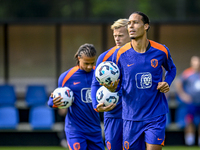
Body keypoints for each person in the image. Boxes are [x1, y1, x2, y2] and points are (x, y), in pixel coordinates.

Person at [107, 12, 176, 150]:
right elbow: (117, 84)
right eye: (129, 23)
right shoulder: (120, 54)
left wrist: (167, 82)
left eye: (135, 22)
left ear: (146, 26)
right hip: (130, 117)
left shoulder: (161, 50)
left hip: (155, 114)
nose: (131, 26)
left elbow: (171, 69)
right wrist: (112, 87)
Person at [47, 43, 104, 150]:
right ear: (79, 58)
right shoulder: (66, 77)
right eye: (86, 63)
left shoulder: (99, 74)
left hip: (94, 129)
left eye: (92, 63)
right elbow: (52, 101)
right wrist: (54, 102)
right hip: (76, 130)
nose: (89, 66)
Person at [91, 19, 130, 150]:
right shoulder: (104, 57)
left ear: (130, 34)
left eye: (121, 35)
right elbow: (95, 84)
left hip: (135, 115)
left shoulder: (140, 56)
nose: (117, 39)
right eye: (115, 36)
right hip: (113, 113)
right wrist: (96, 106)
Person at [175, 56, 200, 146]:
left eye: (198, 62)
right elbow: (178, 83)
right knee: (189, 121)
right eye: (194, 62)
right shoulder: (187, 73)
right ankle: (190, 142)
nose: (196, 64)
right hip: (191, 103)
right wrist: (183, 95)